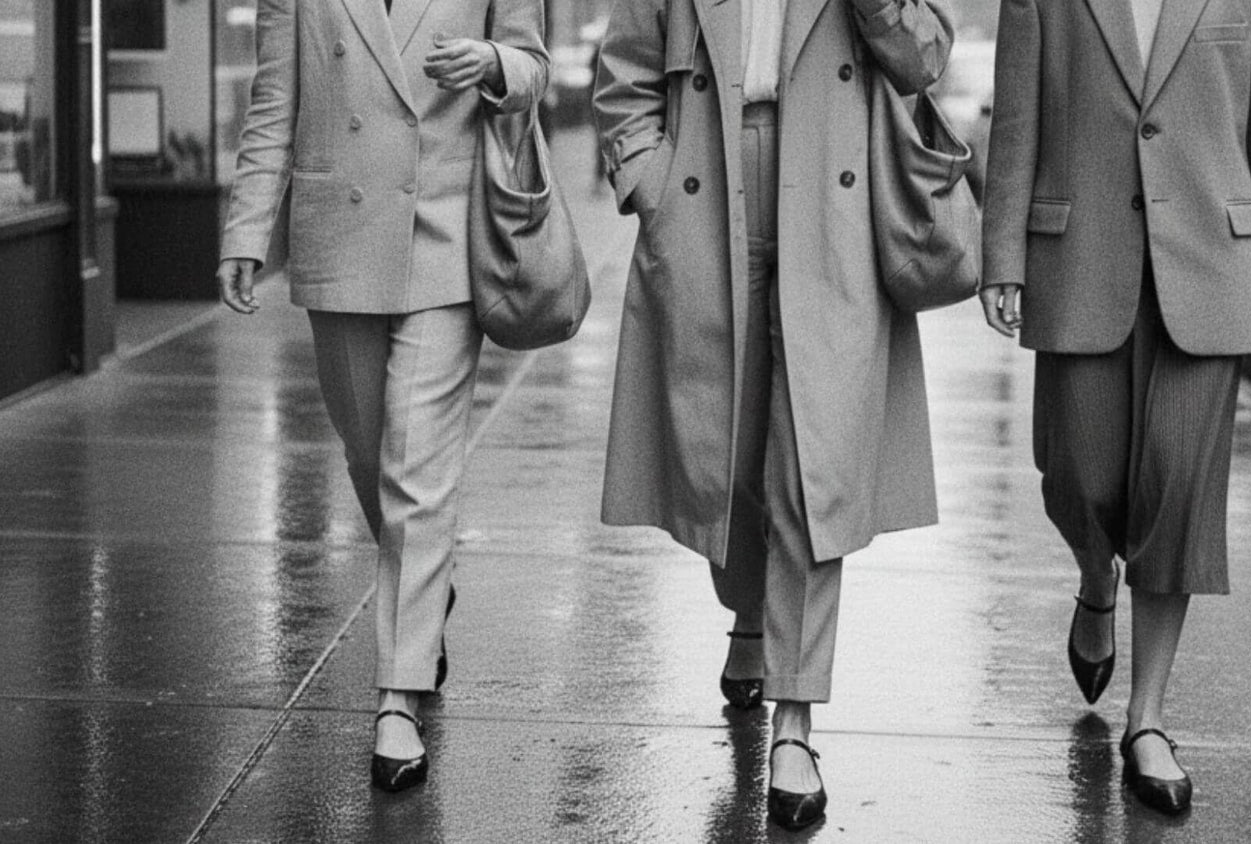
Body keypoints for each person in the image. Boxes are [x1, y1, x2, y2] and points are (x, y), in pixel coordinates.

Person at [593, 0, 950, 829]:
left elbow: (926, 58)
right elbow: (624, 72)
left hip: (835, 198)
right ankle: (751, 614)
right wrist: (649, 182)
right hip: (704, 185)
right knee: (726, 455)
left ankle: (795, 721)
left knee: (808, 465)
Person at [980, 0, 1251, 815]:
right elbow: (1017, 118)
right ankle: (1096, 579)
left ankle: (1148, 719)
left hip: (1213, 260)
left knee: (1177, 489)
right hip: (1078, 256)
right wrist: (1002, 253)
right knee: (1080, 480)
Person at [215, 0, 547, 792]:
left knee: (416, 468)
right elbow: (274, 101)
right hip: (339, 230)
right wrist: (247, 231)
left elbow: (532, 65)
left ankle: (398, 697)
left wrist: (494, 64)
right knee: (369, 455)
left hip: (449, 234)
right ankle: (425, 591)